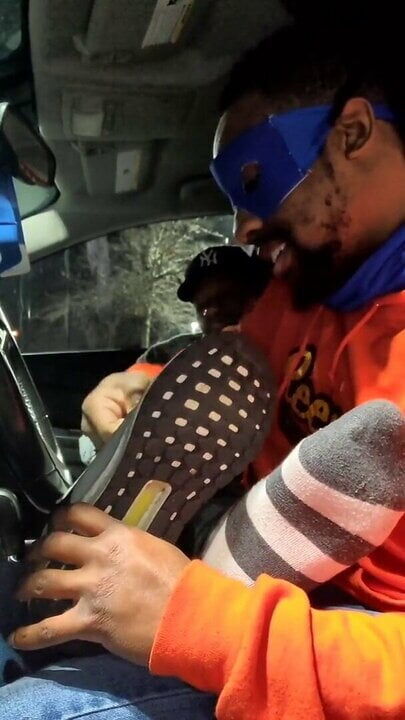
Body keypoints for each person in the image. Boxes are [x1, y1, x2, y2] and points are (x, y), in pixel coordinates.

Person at [1, 17, 405, 720]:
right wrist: (137, 387)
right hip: (248, 578)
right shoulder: (300, 298)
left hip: (340, 641)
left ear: (353, 134)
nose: (242, 227)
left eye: (255, 177)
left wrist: (197, 619)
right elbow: (235, 381)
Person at [80, 244, 270, 455]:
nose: (213, 311)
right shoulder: (171, 353)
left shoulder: (277, 349)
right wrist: (120, 400)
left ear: (255, 298)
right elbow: (139, 380)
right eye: (203, 307)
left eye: (227, 299)